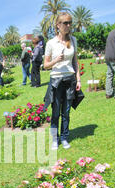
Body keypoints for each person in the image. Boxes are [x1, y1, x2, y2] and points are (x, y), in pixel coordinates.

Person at [43, 12, 82, 150]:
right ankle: (55, 139)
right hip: (56, 80)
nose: (69, 25)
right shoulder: (50, 43)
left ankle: (64, 137)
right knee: (55, 112)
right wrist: (55, 60)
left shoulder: (73, 40)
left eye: (70, 22)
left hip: (70, 79)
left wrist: (78, 80)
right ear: (58, 25)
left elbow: (75, 62)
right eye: (65, 23)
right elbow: (45, 65)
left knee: (66, 111)